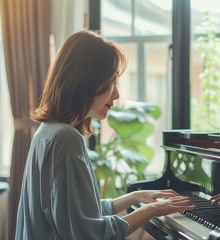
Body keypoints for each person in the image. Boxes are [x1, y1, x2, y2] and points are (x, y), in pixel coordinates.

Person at [14, 30, 196, 240]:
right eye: (112, 81)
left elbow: (76, 214)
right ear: (86, 80)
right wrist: (152, 210)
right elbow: (89, 234)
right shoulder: (65, 139)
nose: (117, 94)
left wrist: (135, 197)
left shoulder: (49, 131)